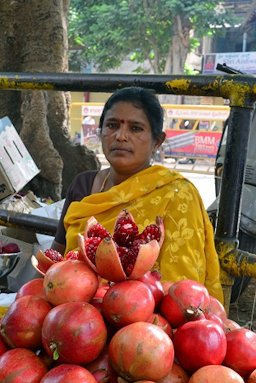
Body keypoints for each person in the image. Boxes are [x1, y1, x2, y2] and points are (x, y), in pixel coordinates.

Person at [51, 87, 223, 303]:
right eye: (112, 125)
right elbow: (56, 260)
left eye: (136, 128)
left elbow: (183, 290)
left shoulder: (177, 194)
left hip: (146, 319)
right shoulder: (83, 184)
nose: (121, 136)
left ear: (157, 141)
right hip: (73, 311)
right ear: (100, 131)